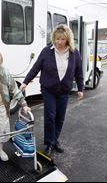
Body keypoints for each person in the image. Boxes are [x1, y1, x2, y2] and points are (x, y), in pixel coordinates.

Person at [20, 24, 84, 156]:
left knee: (60, 118)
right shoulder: (47, 51)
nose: (59, 42)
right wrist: (25, 82)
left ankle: (55, 140)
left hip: (64, 90)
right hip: (48, 89)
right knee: (50, 116)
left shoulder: (74, 53)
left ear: (68, 39)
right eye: (57, 39)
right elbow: (36, 67)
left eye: (62, 39)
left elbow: (79, 71)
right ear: (53, 38)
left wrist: (80, 88)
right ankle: (49, 143)